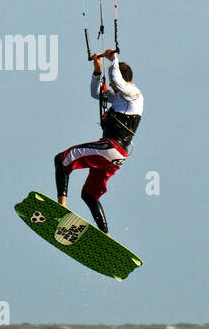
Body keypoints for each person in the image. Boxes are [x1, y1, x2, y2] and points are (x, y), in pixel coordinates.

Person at [53, 48, 143, 234]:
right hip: (116, 156)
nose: (113, 87)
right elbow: (96, 94)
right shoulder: (120, 97)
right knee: (89, 194)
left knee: (62, 159)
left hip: (111, 148)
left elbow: (116, 79)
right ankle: (105, 235)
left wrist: (113, 59)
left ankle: (60, 208)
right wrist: (96, 70)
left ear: (126, 81)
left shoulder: (133, 93)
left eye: (116, 84)